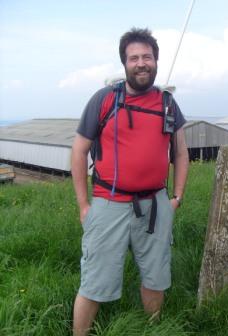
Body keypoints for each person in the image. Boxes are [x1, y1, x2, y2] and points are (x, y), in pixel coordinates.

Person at [71, 27, 189, 335]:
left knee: (156, 276)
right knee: (95, 280)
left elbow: (181, 153)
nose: (141, 63)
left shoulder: (167, 103)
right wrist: (84, 205)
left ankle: (153, 329)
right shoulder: (105, 99)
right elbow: (79, 151)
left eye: (147, 57)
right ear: (124, 63)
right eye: (134, 57)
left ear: (156, 61)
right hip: (109, 203)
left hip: (155, 205)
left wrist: (175, 198)